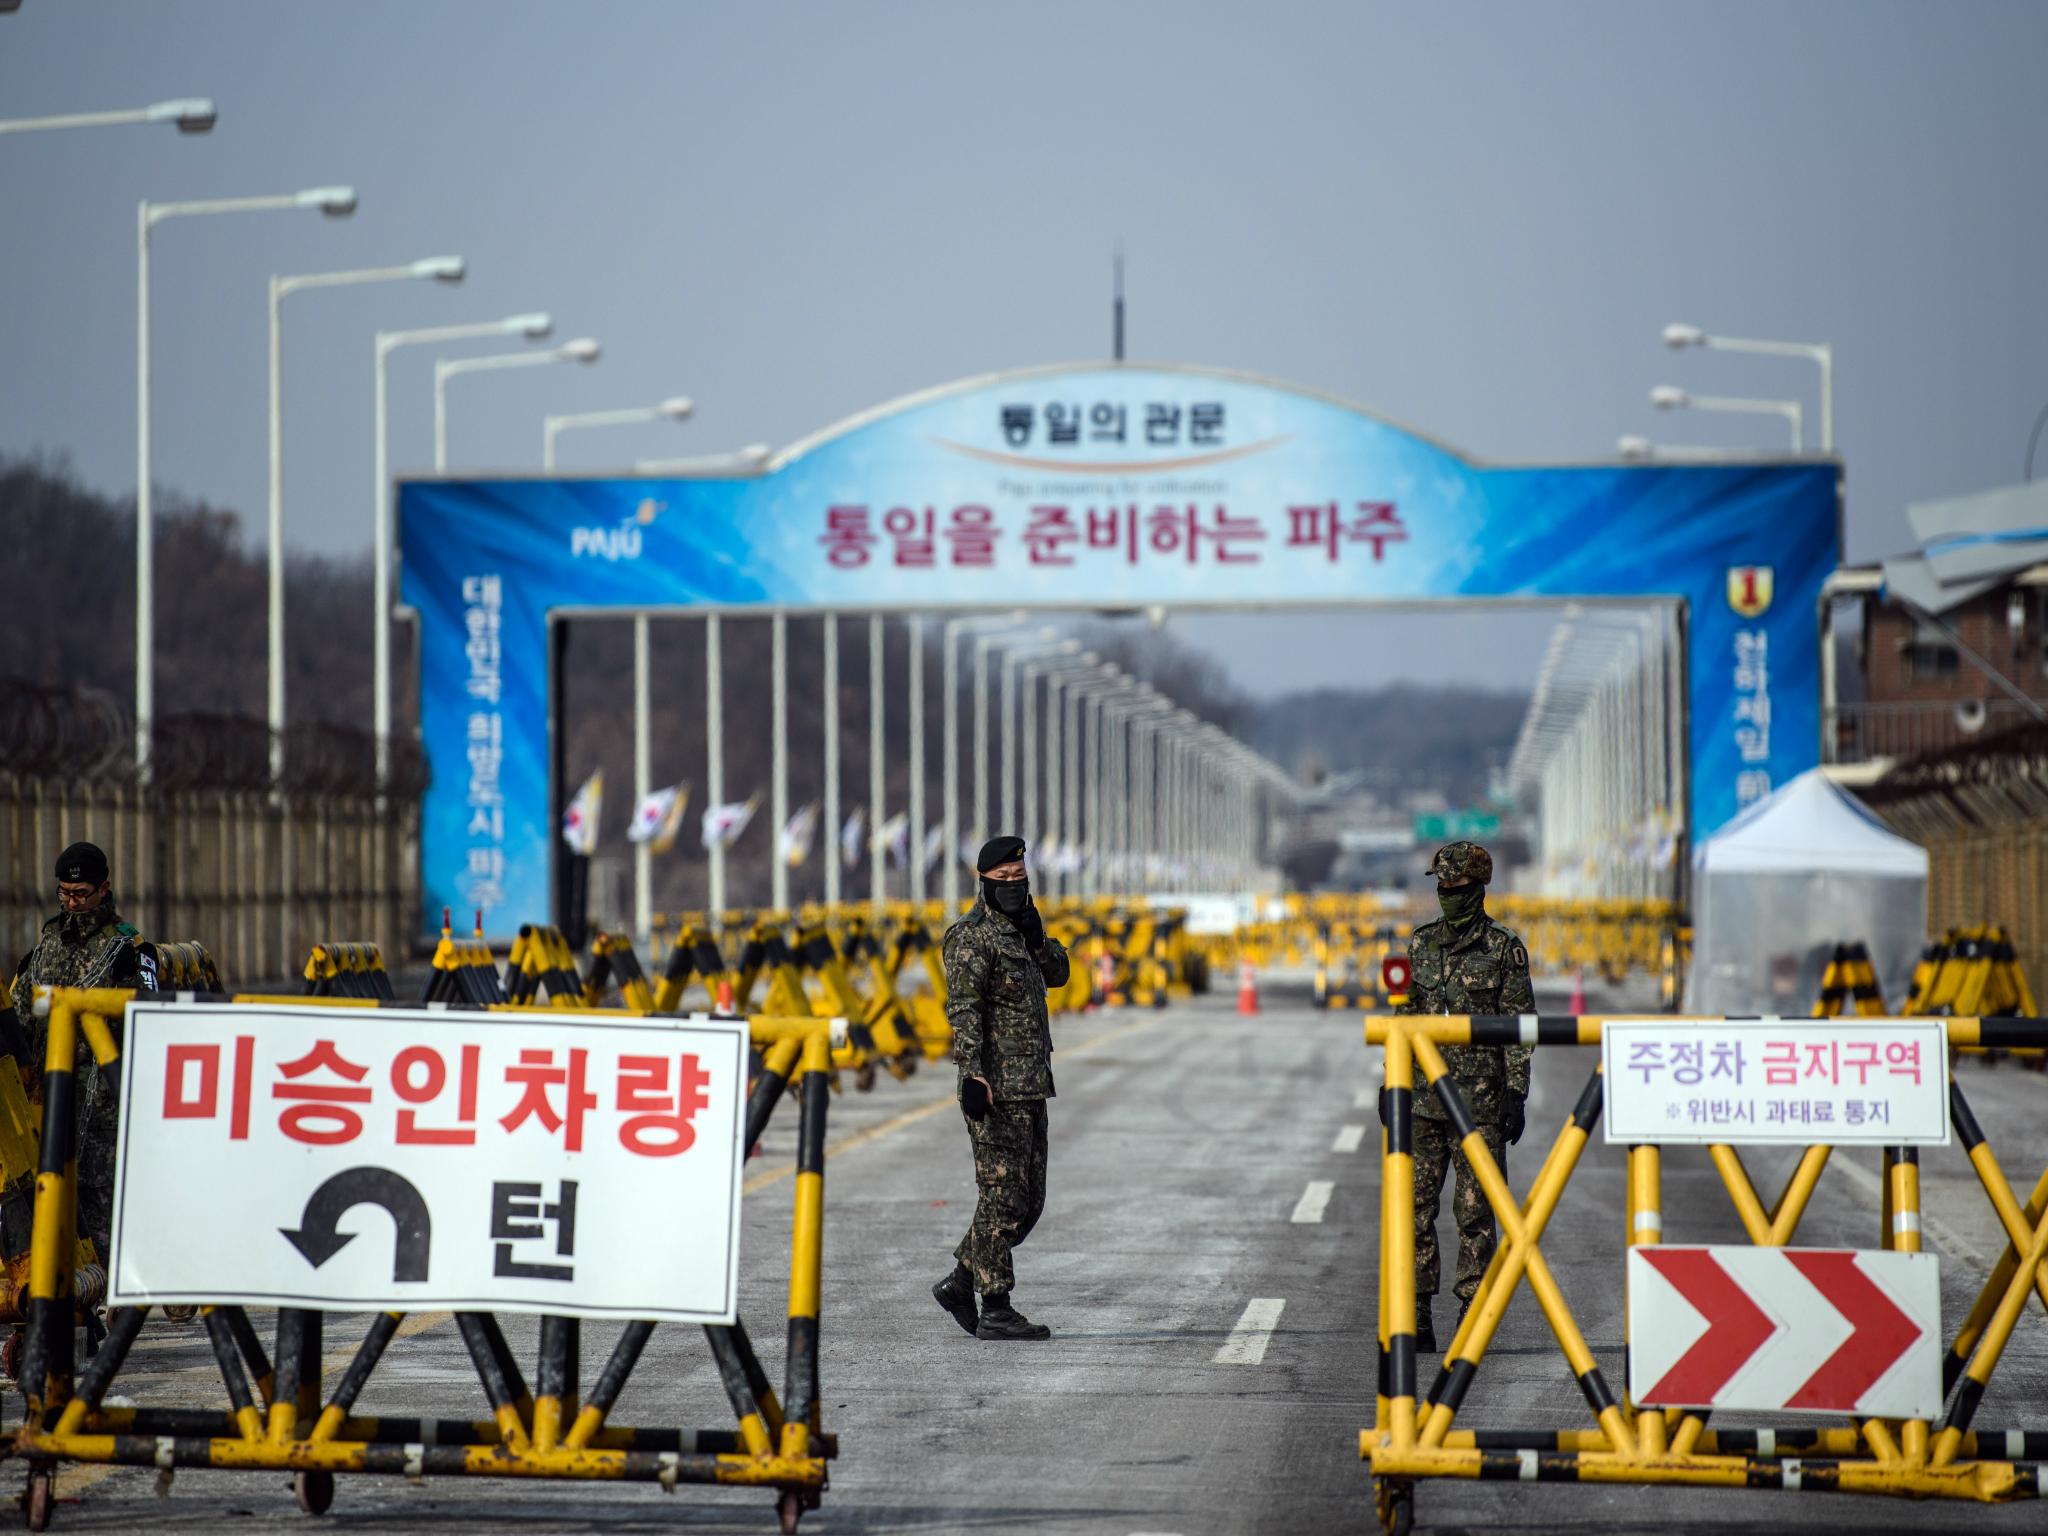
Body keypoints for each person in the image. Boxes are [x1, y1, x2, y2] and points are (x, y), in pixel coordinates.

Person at [932, 835, 1069, 1342]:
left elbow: (1060, 974)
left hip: (1033, 1083)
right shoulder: (971, 938)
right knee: (1001, 1198)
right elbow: (963, 1009)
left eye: (1020, 878)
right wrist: (972, 1072)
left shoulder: (1022, 932)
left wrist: (1037, 938)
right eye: (1004, 881)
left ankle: (961, 1281)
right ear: (985, 882)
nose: (1014, 887)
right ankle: (995, 1306)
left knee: (1028, 1202)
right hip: (995, 1089)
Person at [1399, 840, 1532, 1353]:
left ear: (1478, 888)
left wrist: (1517, 1092)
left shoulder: (1503, 949)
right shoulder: (1422, 945)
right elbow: (1404, 1020)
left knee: (1475, 1214)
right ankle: (1416, 1312)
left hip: (1480, 1106)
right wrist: (1393, 1083)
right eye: (1441, 887)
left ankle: (1474, 1313)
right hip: (1424, 1101)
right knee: (1414, 1209)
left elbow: (1521, 1027)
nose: (1447, 896)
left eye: (1456, 888)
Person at [7, 843, 155, 1258]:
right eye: (65, 893)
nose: (72, 902)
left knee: (99, 1210)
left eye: (81, 893)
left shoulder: (128, 948)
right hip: (45, 1097)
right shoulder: (47, 942)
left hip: (100, 1102)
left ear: (104, 889)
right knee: (40, 1201)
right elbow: (21, 1011)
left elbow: (145, 1015)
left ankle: (112, 1304)